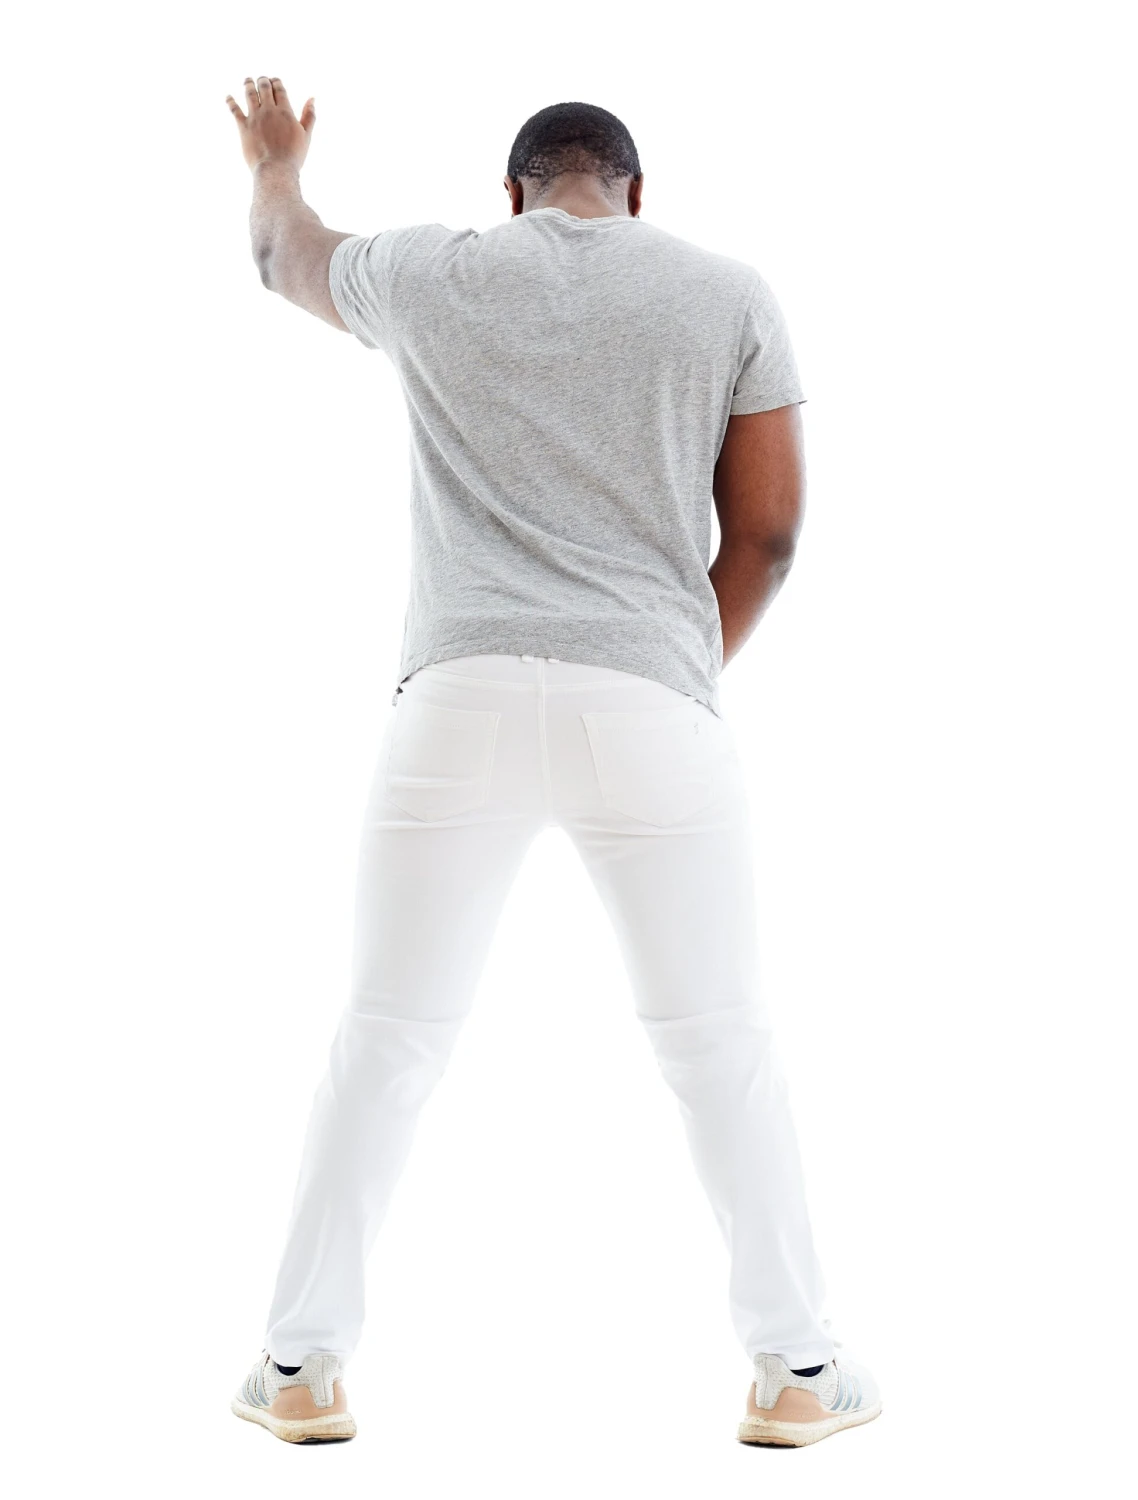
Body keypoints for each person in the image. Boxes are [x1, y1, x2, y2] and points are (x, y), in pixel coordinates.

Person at [223, 77, 881, 1450]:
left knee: (388, 1037)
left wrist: (276, 164)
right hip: (651, 707)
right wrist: (664, 665)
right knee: (717, 1041)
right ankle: (796, 1371)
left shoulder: (429, 272)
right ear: (638, 193)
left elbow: (282, 258)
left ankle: (297, 1367)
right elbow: (768, 537)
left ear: (510, 192)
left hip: (452, 701)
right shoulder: (729, 293)